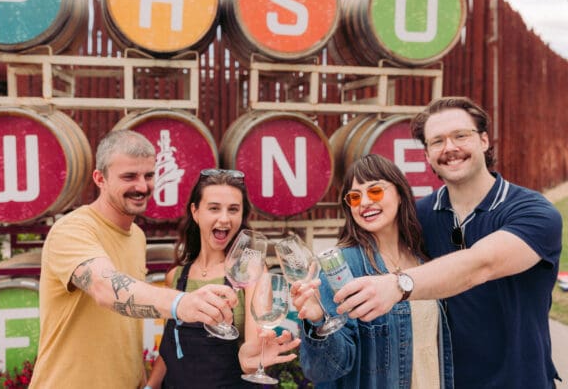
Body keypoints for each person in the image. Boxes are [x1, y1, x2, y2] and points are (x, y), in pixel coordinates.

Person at [334, 97, 562, 388]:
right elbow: (372, 239)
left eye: (460, 136)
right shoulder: (420, 216)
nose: (449, 148)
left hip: (520, 381)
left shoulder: (534, 212)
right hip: (446, 381)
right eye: (437, 141)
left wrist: (398, 285)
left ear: (483, 140)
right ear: (427, 154)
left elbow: (481, 265)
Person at [30, 131, 239, 389]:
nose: (142, 187)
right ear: (100, 178)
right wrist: (182, 303)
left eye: (148, 175)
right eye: (129, 177)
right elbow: (106, 288)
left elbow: (125, 324)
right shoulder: (72, 230)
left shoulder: (136, 236)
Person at [291, 154, 453, 388]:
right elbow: (325, 369)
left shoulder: (423, 258)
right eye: (355, 197)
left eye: (375, 191)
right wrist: (318, 320)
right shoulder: (342, 266)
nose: (364, 202)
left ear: (400, 194)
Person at [146, 168, 300, 389]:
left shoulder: (252, 271)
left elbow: (251, 357)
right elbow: (171, 347)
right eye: (214, 208)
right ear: (195, 212)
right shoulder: (176, 276)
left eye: (233, 209)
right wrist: (149, 386)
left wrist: (252, 358)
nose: (225, 218)